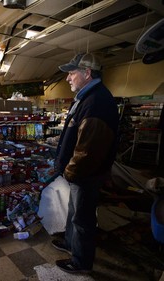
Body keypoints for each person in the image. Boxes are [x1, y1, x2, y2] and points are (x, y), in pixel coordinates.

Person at [52, 53, 119, 274]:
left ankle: (81, 262)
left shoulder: (97, 101)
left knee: (83, 218)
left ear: (87, 73)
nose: (68, 78)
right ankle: (71, 244)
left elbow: (87, 151)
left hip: (85, 174)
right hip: (80, 174)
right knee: (74, 212)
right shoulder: (86, 96)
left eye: (72, 73)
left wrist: (70, 171)